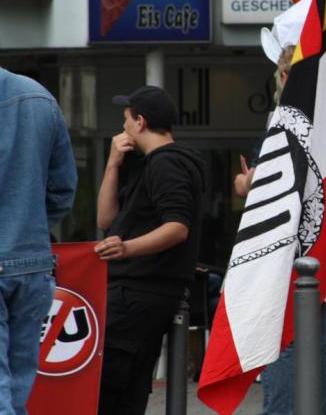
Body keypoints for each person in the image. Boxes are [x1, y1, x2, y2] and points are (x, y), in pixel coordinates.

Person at [233, 46, 326, 415]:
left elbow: (272, 179)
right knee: (313, 342)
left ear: (286, 77)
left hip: (285, 247)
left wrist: (249, 181)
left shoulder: (288, 118)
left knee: (281, 339)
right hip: (316, 244)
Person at [95, 86, 205, 415]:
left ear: (140, 122)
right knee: (125, 390)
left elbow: (177, 227)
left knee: (111, 390)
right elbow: (105, 218)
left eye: (126, 119)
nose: (123, 127)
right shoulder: (147, 163)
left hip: (138, 293)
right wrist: (113, 163)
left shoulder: (167, 163)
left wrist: (126, 248)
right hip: (139, 293)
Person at [0, 68, 77, 414]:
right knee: (18, 384)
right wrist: (28, 225)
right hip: (31, 263)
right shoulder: (38, 97)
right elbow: (63, 190)